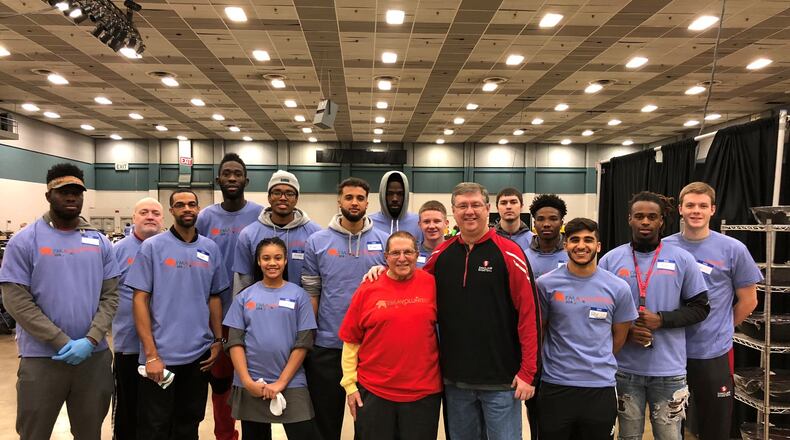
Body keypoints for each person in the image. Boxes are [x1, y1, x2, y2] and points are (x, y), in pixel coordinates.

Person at [0, 163, 120, 440]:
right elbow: (16, 300)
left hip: (93, 358)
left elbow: (111, 295)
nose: (71, 197)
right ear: (48, 195)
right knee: (34, 432)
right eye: (63, 192)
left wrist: (91, 339)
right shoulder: (25, 241)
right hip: (41, 359)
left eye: (77, 192)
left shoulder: (99, 242)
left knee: (89, 433)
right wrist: (60, 341)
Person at [424, 182, 540, 440]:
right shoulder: (441, 254)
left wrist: (528, 372)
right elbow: (412, 285)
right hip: (455, 381)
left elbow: (529, 315)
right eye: (462, 206)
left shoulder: (510, 253)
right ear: (453, 211)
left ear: (488, 209)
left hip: (502, 381)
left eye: (476, 205)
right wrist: (380, 273)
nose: (469, 211)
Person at [598, 191, 710, 440]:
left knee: (669, 436)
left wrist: (661, 319)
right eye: (639, 216)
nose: (645, 222)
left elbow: (701, 308)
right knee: (628, 436)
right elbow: (598, 313)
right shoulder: (610, 260)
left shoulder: (682, 259)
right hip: (623, 369)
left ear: (662, 221)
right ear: (629, 219)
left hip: (669, 371)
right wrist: (627, 333)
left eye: (652, 217)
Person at [127, 189, 230, 440]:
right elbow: (140, 299)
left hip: (198, 357)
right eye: (180, 205)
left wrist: (218, 340)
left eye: (192, 204)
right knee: (155, 427)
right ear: (171, 210)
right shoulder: (152, 247)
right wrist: (151, 354)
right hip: (161, 357)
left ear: (198, 209)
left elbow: (214, 297)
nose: (187, 209)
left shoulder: (210, 248)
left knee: (189, 424)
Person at [664, 182, 761, 440]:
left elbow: (749, 301)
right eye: (690, 205)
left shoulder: (733, 249)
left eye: (702, 205)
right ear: (680, 209)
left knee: (715, 427)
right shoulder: (664, 247)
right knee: (668, 426)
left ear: (712, 210)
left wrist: (722, 327)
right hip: (670, 351)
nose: (696, 211)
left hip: (713, 352)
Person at [301, 177, 389, 440]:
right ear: (339, 201)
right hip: (328, 345)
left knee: (368, 423)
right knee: (325, 422)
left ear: (367, 202)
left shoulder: (385, 241)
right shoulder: (317, 242)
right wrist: (310, 336)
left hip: (371, 347)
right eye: (349, 197)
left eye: (360, 198)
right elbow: (312, 292)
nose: (354, 202)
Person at [536, 218, 637, 439]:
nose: (581, 246)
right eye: (575, 240)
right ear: (565, 245)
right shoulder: (545, 284)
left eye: (588, 240)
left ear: (598, 246)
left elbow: (619, 337)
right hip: (556, 386)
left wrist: (596, 361)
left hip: (600, 388)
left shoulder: (618, 287)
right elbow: (540, 332)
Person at [339, 231, 442, 439]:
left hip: (423, 393)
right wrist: (350, 386)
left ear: (417, 254)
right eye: (395, 253)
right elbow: (351, 341)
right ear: (385, 257)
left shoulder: (432, 284)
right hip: (374, 392)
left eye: (408, 252)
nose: (402, 258)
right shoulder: (368, 288)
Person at [195, 152, 263, 440]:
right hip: (216, 315)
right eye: (227, 174)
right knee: (221, 383)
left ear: (246, 180)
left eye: (237, 174)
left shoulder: (260, 214)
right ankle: (225, 435)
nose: (232, 178)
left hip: (254, 316)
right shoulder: (205, 217)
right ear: (218, 180)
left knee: (251, 379)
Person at [224, 237, 320, 439]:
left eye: (278, 257)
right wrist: (247, 381)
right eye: (266, 258)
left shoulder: (299, 296)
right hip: (252, 382)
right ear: (259, 262)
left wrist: (281, 382)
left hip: (291, 381)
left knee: (305, 433)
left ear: (285, 261)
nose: (272, 263)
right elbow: (235, 342)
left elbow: (303, 342)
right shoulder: (244, 297)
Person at [112, 197, 165, 440]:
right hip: (130, 347)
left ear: (163, 219)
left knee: (159, 414)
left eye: (155, 212)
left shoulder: (171, 248)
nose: (150, 216)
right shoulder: (117, 251)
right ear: (133, 218)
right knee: (128, 410)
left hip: (165, 347)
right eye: (144, 212)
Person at [234, 170, 321, 291]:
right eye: (277, 192)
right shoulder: (249, 235)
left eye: (289, 193)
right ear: (269, 197)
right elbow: (243, 283)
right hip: (261, 303)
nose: (283, 198)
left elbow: (319, 281)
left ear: (296, 199)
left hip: (302, 302)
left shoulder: (315, 234)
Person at [525, 194, 568, 279]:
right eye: (541, 219)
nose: (546, 224)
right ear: (534, 224)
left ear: (561, 223)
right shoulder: (524, 257)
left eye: (553, 219)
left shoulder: (572, 255)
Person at [370, 171, 422, 240]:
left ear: (406, 196)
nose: (395, 199)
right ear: (383, 195)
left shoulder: (418, 222)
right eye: (390, 193)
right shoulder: (369, 223)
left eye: (400, 194)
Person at [416, 200, 449, 268]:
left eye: (437, 221)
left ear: (446, 223)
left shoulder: (455, 252)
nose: (431, 226)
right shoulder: (413, 253)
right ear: (419, 225)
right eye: (426, 222)